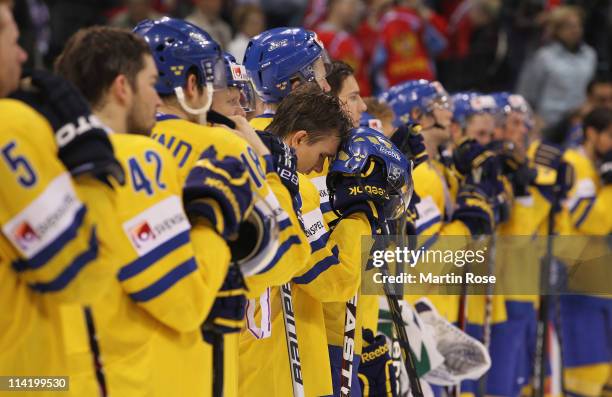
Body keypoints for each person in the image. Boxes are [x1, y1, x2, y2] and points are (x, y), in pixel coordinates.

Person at [54, 25, 255, 396]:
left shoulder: (51, 155)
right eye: (151, 83)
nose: (157, 99)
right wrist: (214, 218)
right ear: (121, 88)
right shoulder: (141, 155)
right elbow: (185, 302)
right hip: (154, 378)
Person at [134, 18, 310, 396]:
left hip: (130, 366)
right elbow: (296, 257)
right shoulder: (227, 147)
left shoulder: (114, 148)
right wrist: (275, 175)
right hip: (218, 361)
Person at [0, 0, 126, 393]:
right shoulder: (10, 128)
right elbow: (82, 274)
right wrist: (90, 159)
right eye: (11, 37)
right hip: (24, 381)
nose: (22, 54)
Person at [560, 107, 612, 397]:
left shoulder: (595, 166)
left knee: (605, 372)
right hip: (578, 281)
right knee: (586, 373)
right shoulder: (572, 164)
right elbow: (592, 221)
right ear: (592, 133)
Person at [517, 5, 597, 126]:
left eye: (578, 25)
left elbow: (590, 90)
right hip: (548, 122)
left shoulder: (589, 55)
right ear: (557, 30)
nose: (575, 30)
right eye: (569, 26)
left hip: (577, 121)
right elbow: (527, 94)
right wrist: (533, 118)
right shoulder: (543, 57)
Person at [244, 26, 332, 131]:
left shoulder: (251, 131)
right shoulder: (296, 137)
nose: (327, 88)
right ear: (297, 87)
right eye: (320, 79)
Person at [314, 0, 371, 96]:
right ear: (335, 3)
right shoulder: (319, 38)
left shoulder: (354, 37)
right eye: (352, 3)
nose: (356, 9)